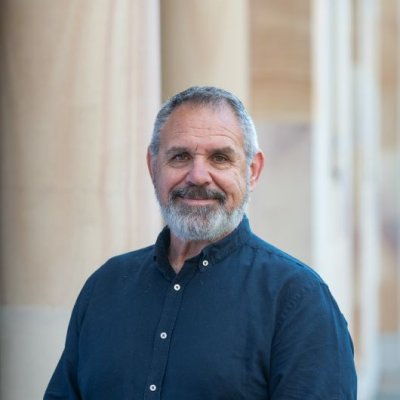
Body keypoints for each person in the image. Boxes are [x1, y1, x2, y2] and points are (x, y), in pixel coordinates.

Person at [44, 86, 357, 399]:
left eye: (220, 158)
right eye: (180, 157)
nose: (198, 176)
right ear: (153, 167)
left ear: (252, 171)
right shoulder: (105, 287)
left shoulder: (298, 300)